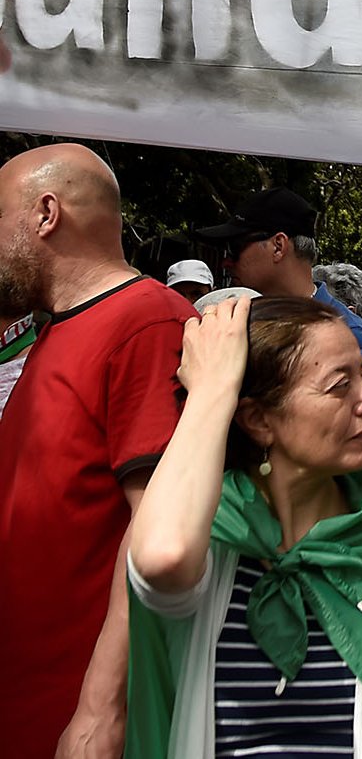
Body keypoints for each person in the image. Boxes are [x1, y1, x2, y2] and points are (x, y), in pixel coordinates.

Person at [124, 294, 362, 758]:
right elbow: (162, 559)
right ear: (257, 419)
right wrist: (211, 392)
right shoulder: (206, 531)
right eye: (338, 386)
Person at [0, 143, 191, 759]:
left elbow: (162, 531)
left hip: (75, 720)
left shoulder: (148, 324)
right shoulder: (56, 328)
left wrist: (101, 708)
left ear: (45, 213)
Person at [198, 186, 362, 355]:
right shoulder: (243, 322)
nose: (226, 263)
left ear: (278, 246)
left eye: (234, 248)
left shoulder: (351, 337)